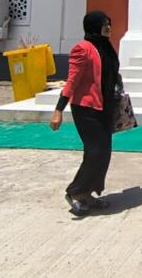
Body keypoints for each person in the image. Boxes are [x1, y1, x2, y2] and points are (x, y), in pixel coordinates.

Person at [50, 11, 121, 215]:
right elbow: (72, 81)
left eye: (109, 24)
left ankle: (87, 193)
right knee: (95, 151)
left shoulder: (106, 47)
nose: (108, 28)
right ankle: (75, 192)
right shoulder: (83, 49)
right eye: (103, 24)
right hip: (86, 107)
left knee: (104, 153)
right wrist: (58, 111)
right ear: (92, 26)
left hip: (104, 106)